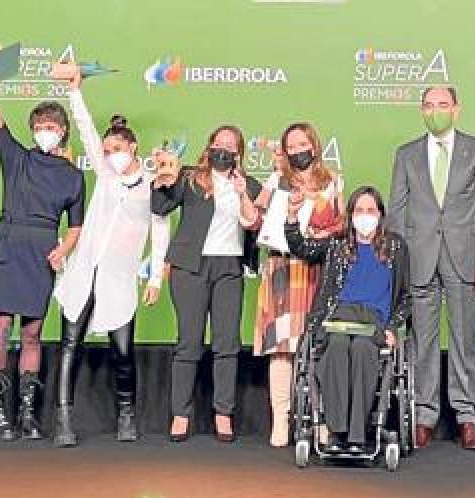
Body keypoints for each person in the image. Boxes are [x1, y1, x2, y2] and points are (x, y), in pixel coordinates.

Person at [49, 64, 169, 447]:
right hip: (84, 272)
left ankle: (127, 414)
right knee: (70, 344)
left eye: (116, 149)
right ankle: (63, 419)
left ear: (132, 147)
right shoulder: (103, 174)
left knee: (123, 351)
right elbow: (83, 128)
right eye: (105, 151)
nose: (110, 155)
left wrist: (154, 279)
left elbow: (160, 228)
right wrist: (75, 90)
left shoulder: (151, 185)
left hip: (119, 280)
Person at [389, 85, 475, 451]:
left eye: (442, 104)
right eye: (429, 105)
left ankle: (468, 417)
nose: (435, 110)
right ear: (421, 110)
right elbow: (398, 211)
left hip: (465, 258)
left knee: (464, 340)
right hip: (419, 260)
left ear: (456, 109)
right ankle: (423, 416)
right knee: (422, 341)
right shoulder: (406, 154)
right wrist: (396, 263)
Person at [0, 83, 85, 441]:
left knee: (32, 333)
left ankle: (27, 415)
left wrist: (63, 249)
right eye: (39, 126)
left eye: (51, 127)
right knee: (1, 328)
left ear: (63, 131)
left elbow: (77, 226)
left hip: (41, 249)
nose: (45, 133)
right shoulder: (16, 157)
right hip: (9, 241)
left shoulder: (73, 176)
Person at [152, 125, 262, 443]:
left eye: (230, 145)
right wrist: (161, 179)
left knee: (227, 343)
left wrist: (242, 192)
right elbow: (159, 207)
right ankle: (180, 414)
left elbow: (254, 223)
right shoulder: (189, 177)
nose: (223, 149)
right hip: (190, 267)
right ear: (209, 147)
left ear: (239, 153)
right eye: (218, 143)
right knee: (189, 341)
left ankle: (223, 414)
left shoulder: (249, 184)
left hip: (229, 267)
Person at [284, 186, 409, 451]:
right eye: (359, 210)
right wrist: (293, 217)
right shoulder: (336, 244)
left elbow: (406, 296)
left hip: (374, 319)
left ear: (380, 214)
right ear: (351, 215)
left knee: (363, 350)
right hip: (337, 314)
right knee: (338, 346)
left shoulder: (396, 246)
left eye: (370, 210)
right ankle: (336, 432)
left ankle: (358, 435)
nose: (365, 216)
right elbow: (302, 247)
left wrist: (393, 327)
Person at [253, 122, 344, 447]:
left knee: (316, 346)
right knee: (281, 349)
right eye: (290, 147)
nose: (296, 151)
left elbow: (340, 224)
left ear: (314, 145)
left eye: (302, 144)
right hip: (281, 267)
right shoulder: (276, 179)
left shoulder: (332, 181)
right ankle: (282, 420)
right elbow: (254, 218)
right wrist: (242, 200)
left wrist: (326, 232)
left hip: (316, 269)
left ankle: (320, 420)